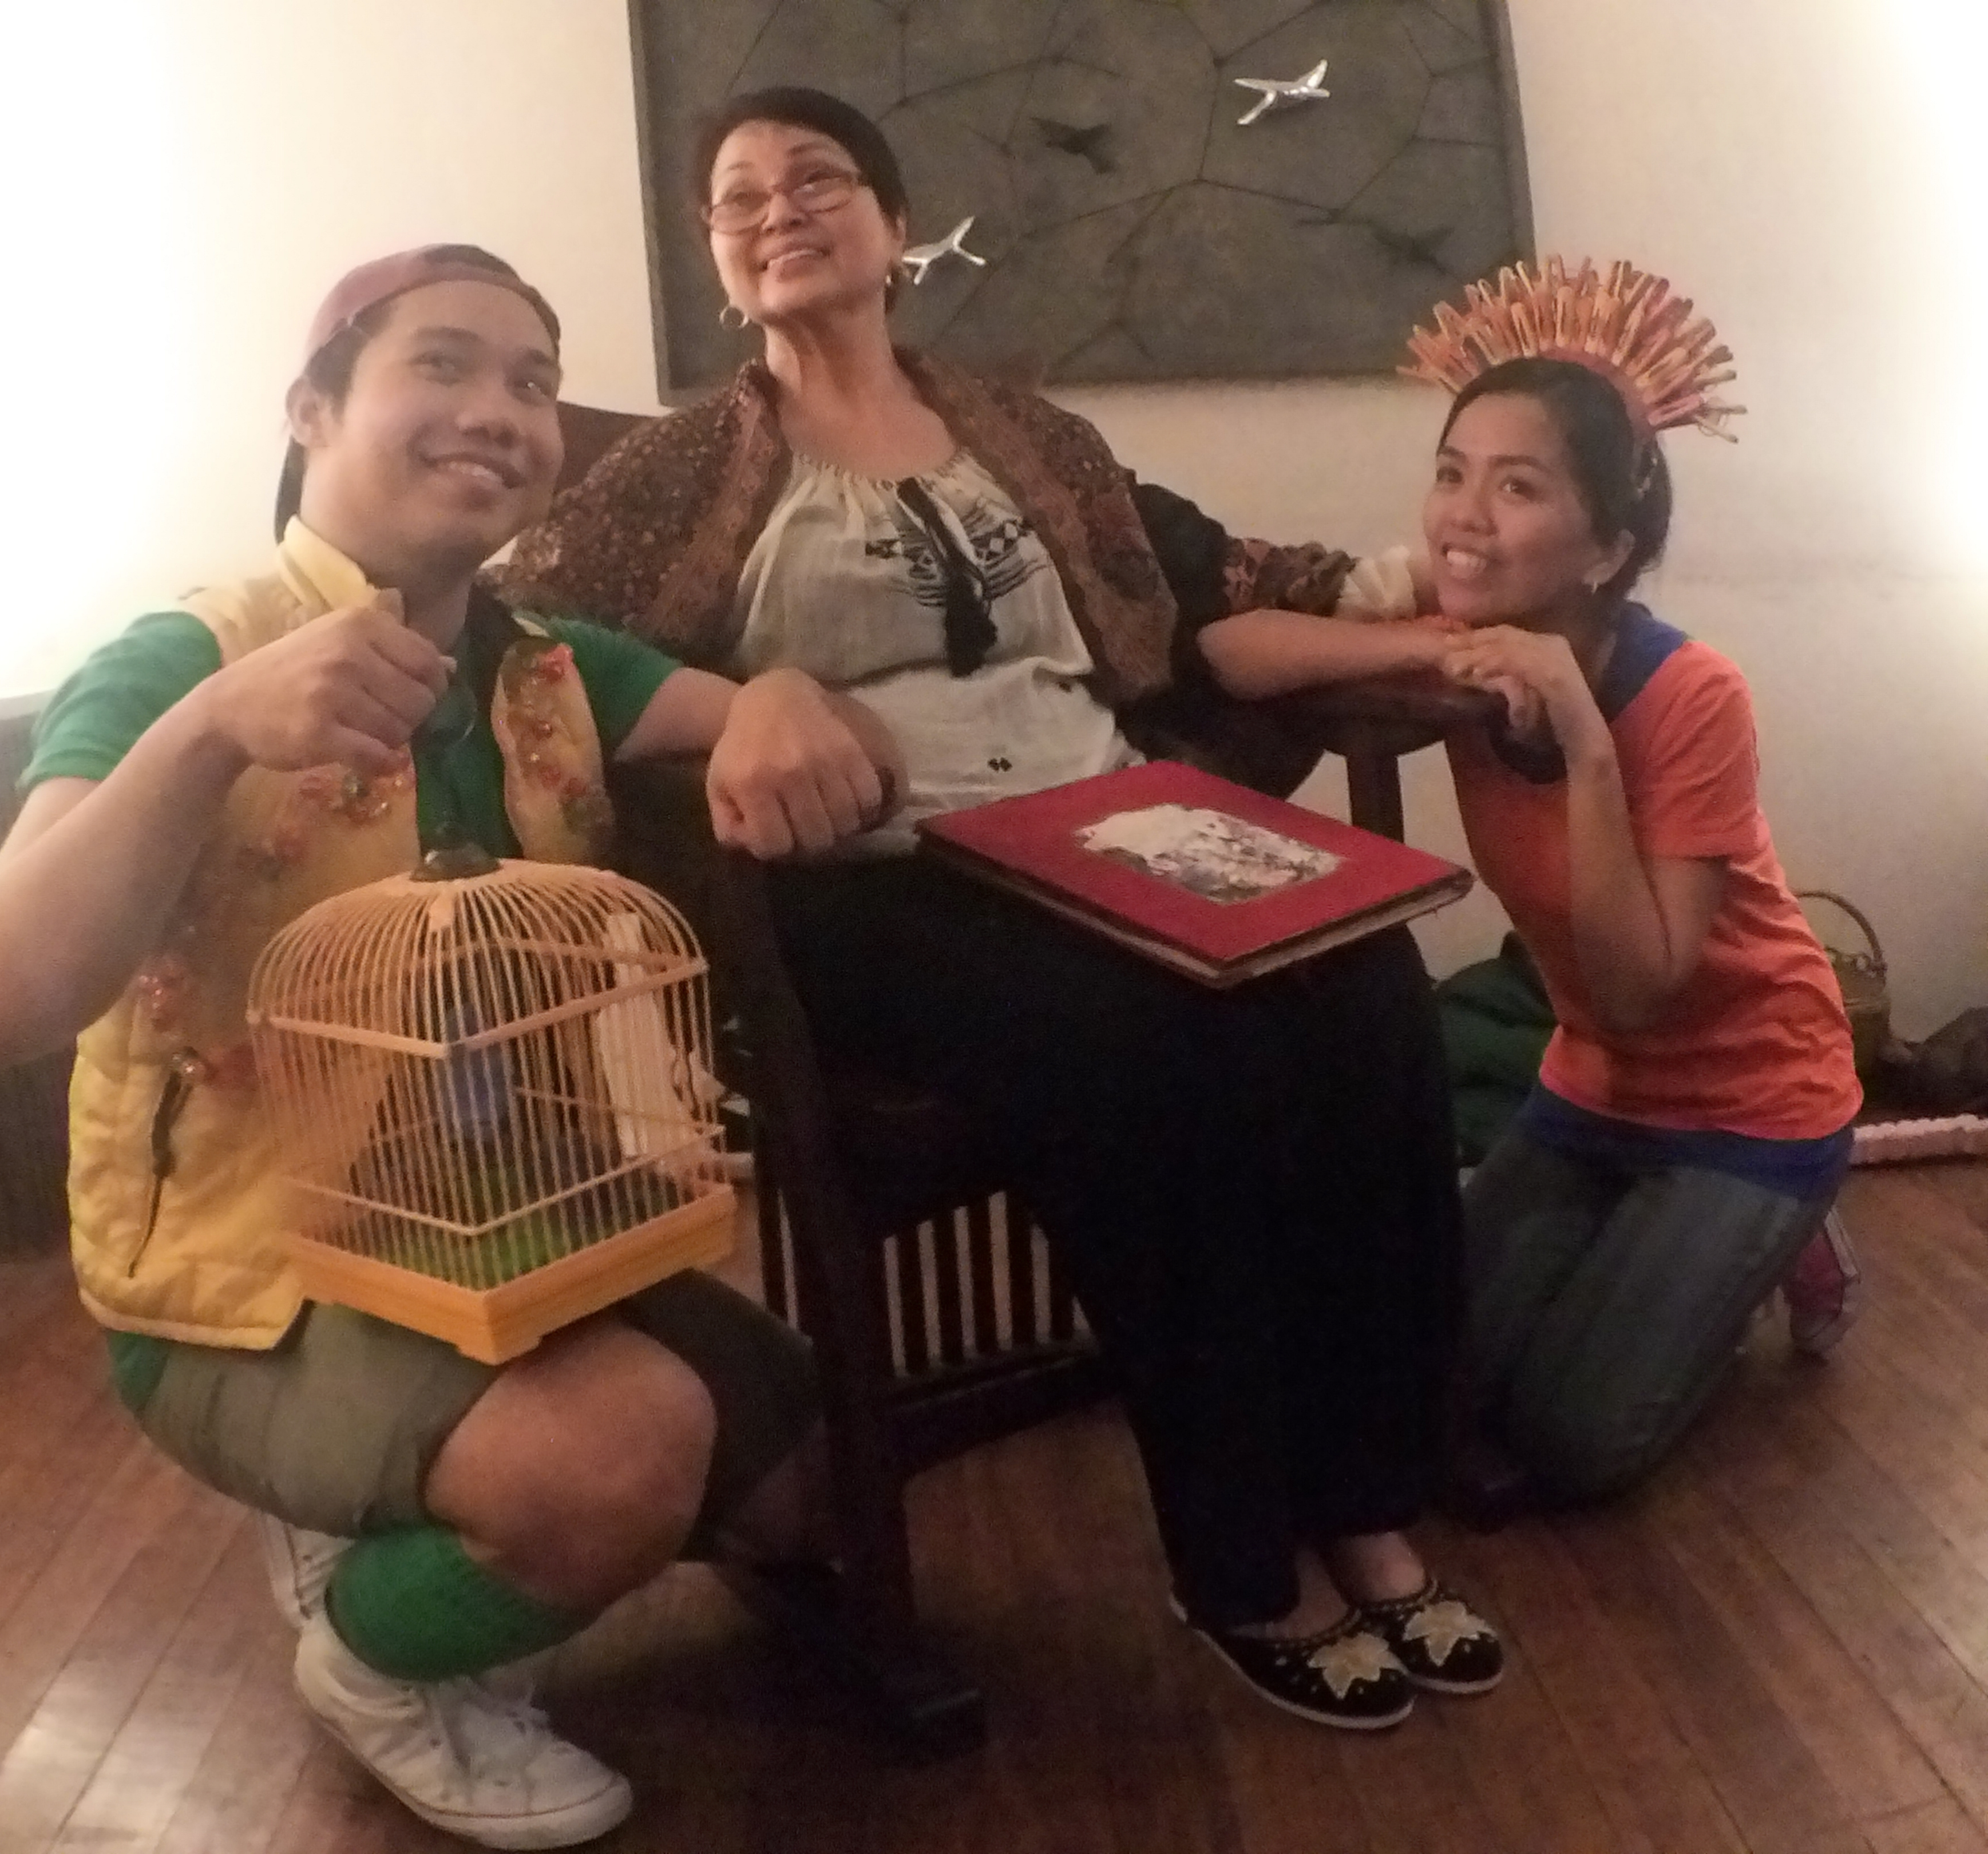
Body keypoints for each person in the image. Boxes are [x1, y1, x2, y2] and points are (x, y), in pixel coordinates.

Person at [502, 88, 1504, 1729]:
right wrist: (740, 708)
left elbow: (1206, 578)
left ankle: (1368, 1502)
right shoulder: (680, 467)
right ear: (716, 259)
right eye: (738, 197)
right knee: (1159, 1042)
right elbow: (525, 643)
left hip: (1119, 831)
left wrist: (1425, 618)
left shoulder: (1023, 432)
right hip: (883, 883)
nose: (777, 208)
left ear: (896, 225)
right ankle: (1241, 1563)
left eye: (817, 177)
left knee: (1366, 984)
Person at [0, 245, 897, 1849]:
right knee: (625, 1457)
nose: (500, 411)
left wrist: (788, 688)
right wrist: (210, 733)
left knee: (825, 1491)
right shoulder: (181, 658)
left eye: (533, 382)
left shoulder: (547, 668)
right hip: (254, 1277)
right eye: (443, 365)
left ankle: (426, 1495)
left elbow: (796, 735)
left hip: (520, 1233)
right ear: (312, 411)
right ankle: (372, 1657)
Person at [1197, 262, 1863, 1507]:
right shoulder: (1458, 635)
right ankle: (1656, 1253)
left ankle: (1786, 1241)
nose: (1466, 516)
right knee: (1436, 1386)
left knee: (1570, 1439)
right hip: (1589, 1091)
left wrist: (1585, 738)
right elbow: (1232, 652)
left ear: (1607, 549)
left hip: (1753, 1099)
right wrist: (1429, 644)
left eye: (1518, 486)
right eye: (1452, 473)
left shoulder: (1694, 695)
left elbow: (1639, 989)